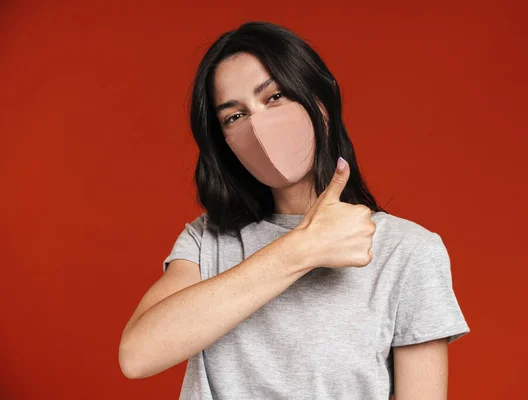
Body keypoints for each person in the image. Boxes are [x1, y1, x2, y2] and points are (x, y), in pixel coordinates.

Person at [118, 21, 470, 400]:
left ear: (320, 102)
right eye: (234, 116)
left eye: (274, 97)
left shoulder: (407, 251)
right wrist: (302, 247)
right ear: (224, 144)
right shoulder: (207, 241)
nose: (258, 125)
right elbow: (137, 356)